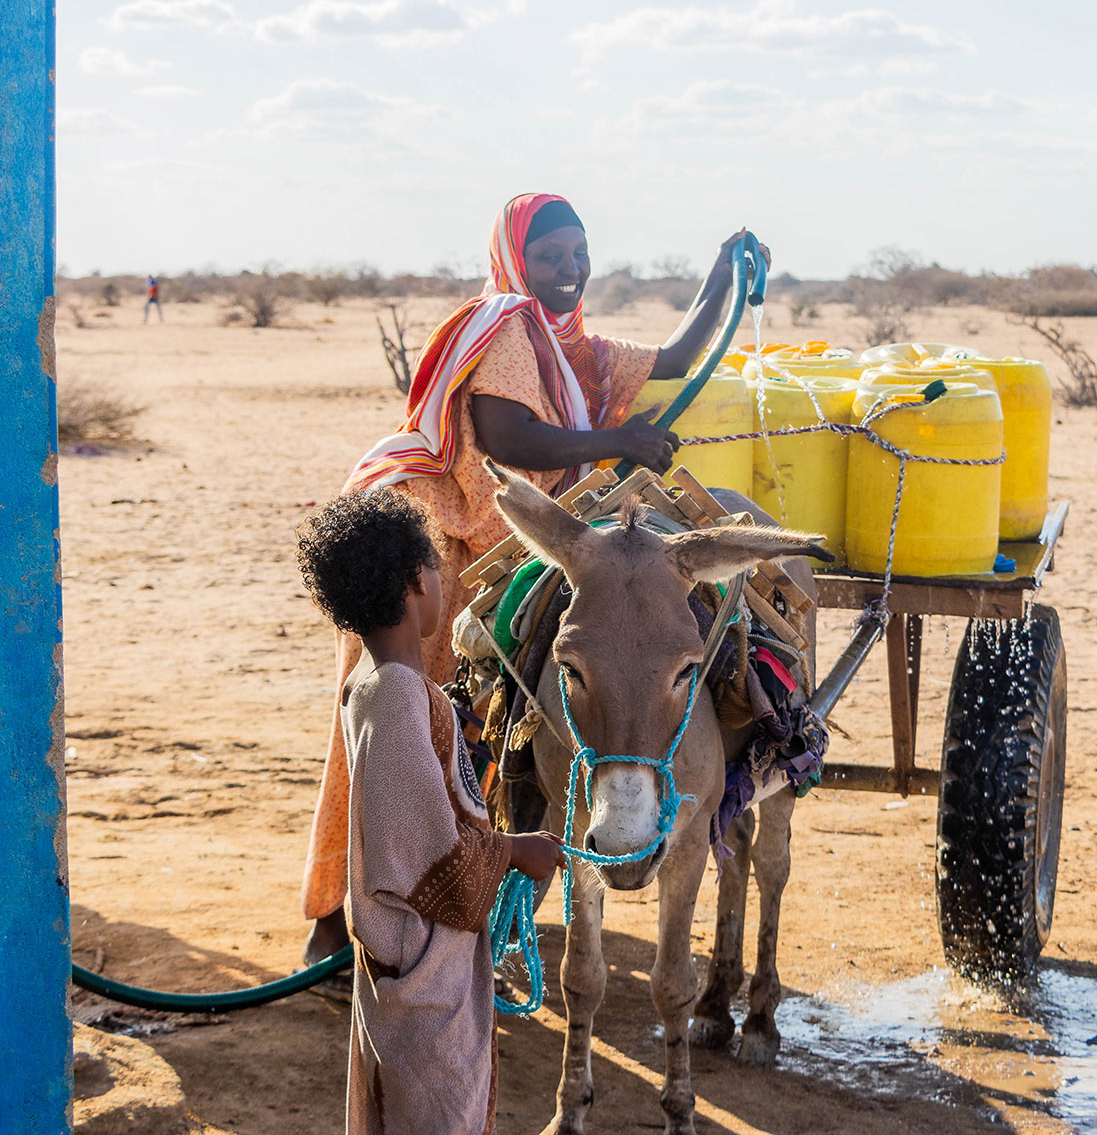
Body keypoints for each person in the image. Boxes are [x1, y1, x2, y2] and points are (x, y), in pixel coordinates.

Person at [300, 191, 761, 967]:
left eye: (580, 253)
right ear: (515, 259)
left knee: (466, 733)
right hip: (449, 534)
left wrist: (720, 275)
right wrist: (621, 437)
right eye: (551, 255)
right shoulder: (510, 323)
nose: (570, 270)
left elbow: (677, 361)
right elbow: (508, 435)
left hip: (509, 535)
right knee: (406, 724)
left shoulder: (567, 345)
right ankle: (336, 924)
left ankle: (453, 902)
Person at [295, 489, 565, 1134]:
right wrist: (515, 851)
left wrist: (451, 740)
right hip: (422, 967)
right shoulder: (393, 696)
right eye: (440, 568)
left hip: (410, 962)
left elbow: (415, 800)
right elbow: (423, 855)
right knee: (434, 1114)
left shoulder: (385, 686)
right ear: (418, 582)